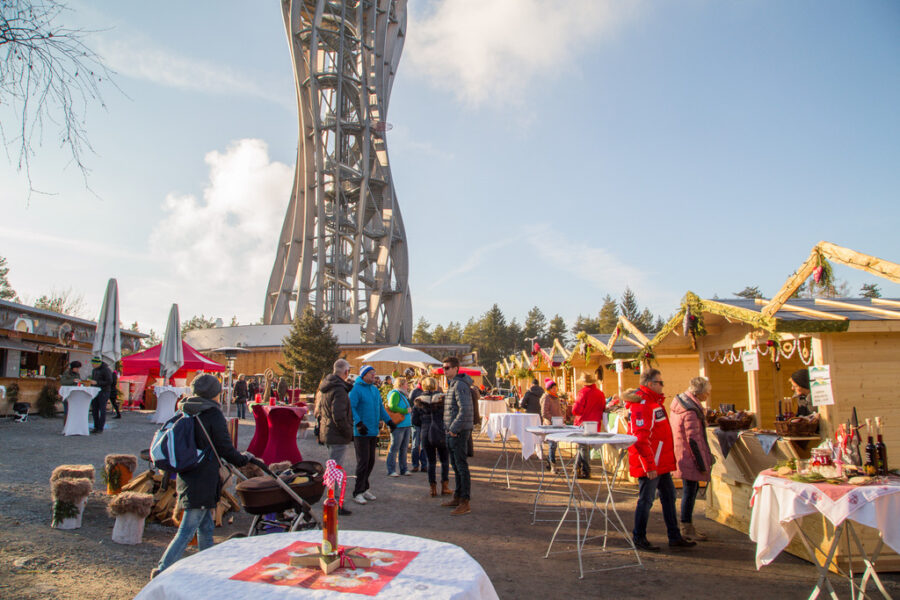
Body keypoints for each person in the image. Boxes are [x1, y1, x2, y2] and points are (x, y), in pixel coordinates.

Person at [152, 374, 260, 577]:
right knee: (188, 529)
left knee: (206, 526)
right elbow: (224, 447)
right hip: (203, 475)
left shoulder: (187, 409)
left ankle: (209, 567)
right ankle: (163, 568)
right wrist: (243, 459)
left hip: (189, 471)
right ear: (215, 393)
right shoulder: (212, 413)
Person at [626, 368, 696, 552]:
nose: (663, 386)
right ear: (650, 384)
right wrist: (649, 464)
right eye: (660, 382)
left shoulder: (653, 402)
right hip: (652, 463)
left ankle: (674, 535)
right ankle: (639, 537)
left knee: (669, 496)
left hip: (660, 462)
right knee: (646, 500)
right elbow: (640, 438)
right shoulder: (643, 404)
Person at [670, 376, 714, 541]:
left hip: (682, 452)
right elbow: (694, 440)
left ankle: (686, 525)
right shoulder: (691, 411)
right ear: (700, 393)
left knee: (690, 489)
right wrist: (702, 462)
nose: (708, 396)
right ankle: (686, 526)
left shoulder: (680, 405)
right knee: (690, 490)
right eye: (707, 393)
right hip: (690, 456)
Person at [349, 365, 395, 505]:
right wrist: (358, 423)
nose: (374, 376)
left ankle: (364, 488)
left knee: (370, 461)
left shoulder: (374, 390)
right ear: (363, 375)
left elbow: (380, 407)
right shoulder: (356, 390)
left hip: (373, 430)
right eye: (371, 373)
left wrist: (389, 421)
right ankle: (357, 492)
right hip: (361, 431)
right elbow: (351, 407)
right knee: (363, 462)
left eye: (374, 373)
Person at [316, 359, 354, 516]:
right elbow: (338, 415)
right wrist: (347, 432)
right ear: (346, 372)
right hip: (337, 434)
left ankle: (332, 500)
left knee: (333, 468)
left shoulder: (326, 387)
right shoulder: (339, 390)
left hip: (329, 432)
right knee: (336, 470)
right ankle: (334, 503)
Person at [441, 356, 474, 516]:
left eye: (447, 367)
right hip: (452, 431)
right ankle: (458, 496)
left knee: (461, 466)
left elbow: (465, 410)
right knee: (456, 465)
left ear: (456, 368)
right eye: (443, 368)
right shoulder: (453, 385)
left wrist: (453, 428)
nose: (444, 370)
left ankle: (465, 502)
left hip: (459, 431)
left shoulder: (459, 385)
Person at [411, 376, 450, 497]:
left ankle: (432, 488)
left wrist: (424, 424)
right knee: (444, 460)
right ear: (435, 385)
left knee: (431, 461)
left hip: (426, 431)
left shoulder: (418, 400)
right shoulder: (443, 398)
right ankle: (445, 486)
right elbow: (448, 415)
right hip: (440, 430)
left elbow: (415, 420)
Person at [572, 372, 606, 479]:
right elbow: (603, 408)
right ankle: (576, 468)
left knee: (583, 447)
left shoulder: (583, 392)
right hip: (595, 424)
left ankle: (586, 469)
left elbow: (576, 410)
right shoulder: (600, 393)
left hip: (583, 423)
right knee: (583, 447)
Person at [385, 377, 413, 477]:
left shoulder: (403, 394)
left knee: (404, 448)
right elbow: (392, 406)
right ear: (401, 384)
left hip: (406, 424)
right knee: (395, 447)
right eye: (406, 383)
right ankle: (391, 469)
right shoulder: (395, 393)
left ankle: (404, 469)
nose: (407, 385)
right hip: (398, 424)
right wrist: (405, 411)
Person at [540, 379, 564, 472]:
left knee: (554, 445)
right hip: (550, 424)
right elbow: (544, 412)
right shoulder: (546, 397)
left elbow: (559, 410)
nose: (555, 390)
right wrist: (553, 420)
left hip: (557, 424)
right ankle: (553, 464)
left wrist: (561, 419)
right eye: (553, 388)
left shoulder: (555, 397)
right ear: (549, 389)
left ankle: (550, 462)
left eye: (555, 388)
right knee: (552, 445)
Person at [409, 380, 428, 473]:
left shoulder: (427, 394)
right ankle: (415, 465)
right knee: (415, 445)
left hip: (424, 423)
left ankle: (424, 465)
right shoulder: (415, 392)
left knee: (423, 445)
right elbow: (413, 406)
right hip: (417, 422)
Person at [90, 357, 113, 434]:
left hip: (104, 391)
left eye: (93, 363)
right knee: (94, 409)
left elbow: (110, 381)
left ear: (97, 363)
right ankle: (96, 426)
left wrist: (97, 383)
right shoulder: (94, 370)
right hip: (95, 391)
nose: (92, 365)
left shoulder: (106, 370)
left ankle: (100, 428)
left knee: (102, 409)